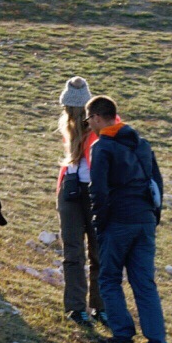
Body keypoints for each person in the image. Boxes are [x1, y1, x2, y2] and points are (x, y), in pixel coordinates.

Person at [86, 95, 168, 343]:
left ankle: (122, 336)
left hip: (119, 221)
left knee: (109, 278)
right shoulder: (142, 144)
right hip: (144, 220)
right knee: (145, 284)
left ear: (98, 117)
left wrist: (100, 222)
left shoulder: (103, 147)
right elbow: (157, 181)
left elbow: (98, 190)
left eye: (89, 119)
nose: (89, 124)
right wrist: (153, 215)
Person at [54, 77, 106, 326]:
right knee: (74, 252)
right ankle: (77, 308)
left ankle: (99, 306)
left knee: (97, 253)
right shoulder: (68, 126)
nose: (72, 114)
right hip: (71, 192)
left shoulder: (100, 128)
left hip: (95, 194)